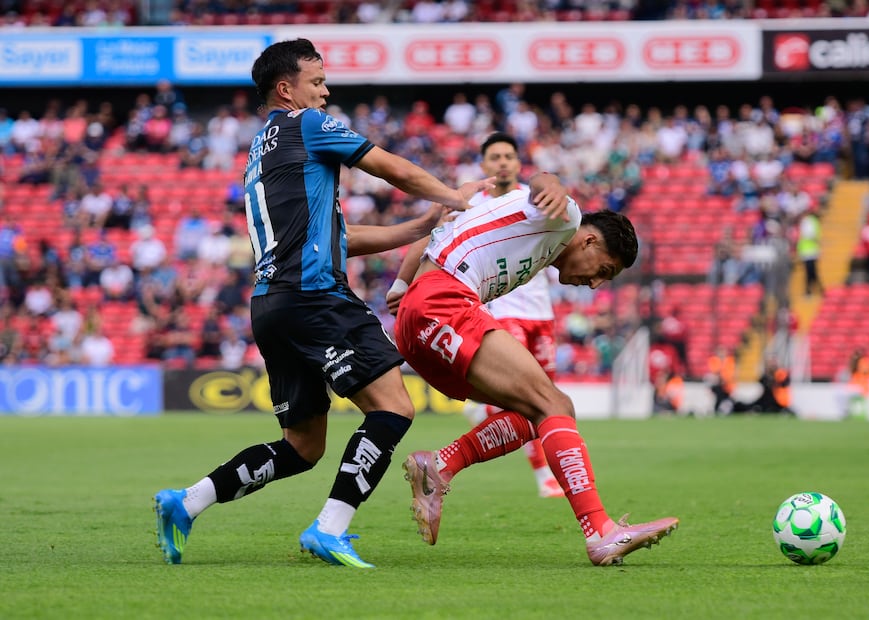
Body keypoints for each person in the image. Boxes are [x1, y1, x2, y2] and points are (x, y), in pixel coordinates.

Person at [153, 38, 492, 569]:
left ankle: (187, 501)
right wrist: (454, 197)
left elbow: (337, 236)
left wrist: (420, 226)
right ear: (286, 90)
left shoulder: (259, 152)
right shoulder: (307, 124)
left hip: (271, 305)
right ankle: (329, 529)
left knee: (303, 446)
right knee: (394, 407)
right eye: (317, 81)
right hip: (315, 297)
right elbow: (389, 166)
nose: (326, 91)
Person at [387, 173, 679, 567]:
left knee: (535, 414)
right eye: (604, 270)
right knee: (556, 405)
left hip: (418, 320)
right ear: (590, 241)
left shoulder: (540, 239)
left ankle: (440, 465)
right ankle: (600, 532)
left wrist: (400, 285)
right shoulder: (566, 218)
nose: (595, 284)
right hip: (442, 302)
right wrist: (553, 184)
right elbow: (544, 186)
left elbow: (439, 230)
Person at [461, 132, 563, 499]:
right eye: (495, 157)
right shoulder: (471, 205)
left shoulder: (534, 201)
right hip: (502, 312)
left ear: (519, 163)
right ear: (484, 165)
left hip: (541, 312)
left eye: (508, 156)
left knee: (546, 397)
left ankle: (486, 411)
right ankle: (544, 476)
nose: (502, 162)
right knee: (527, 396)